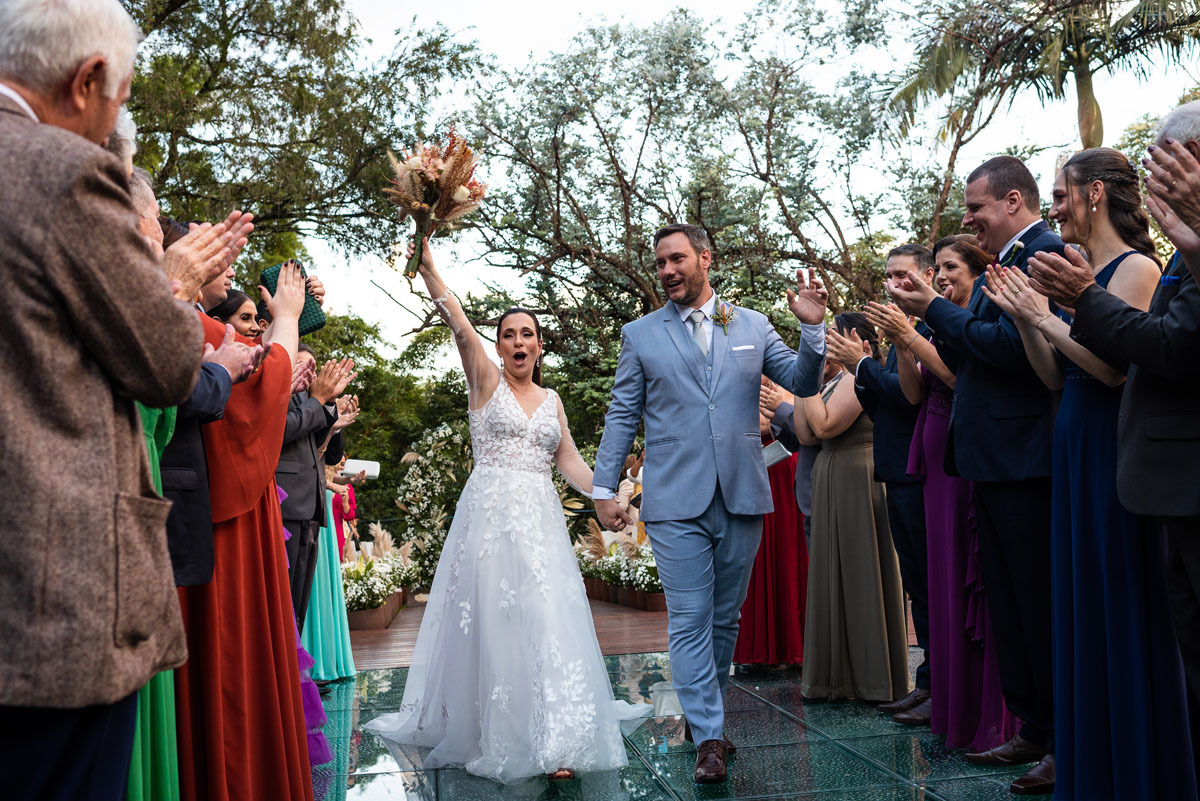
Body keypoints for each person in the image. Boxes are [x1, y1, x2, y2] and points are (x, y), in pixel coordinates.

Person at [0, 2, 214, 798]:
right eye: (121, 96)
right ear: (88, 80)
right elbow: (166, 359)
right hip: (49, 602)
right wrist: (175, 282)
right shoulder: (63, 171)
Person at [367, 239, 648, 784]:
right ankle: (502, 732)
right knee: (497, 625)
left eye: (527, 334)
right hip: (491, 522)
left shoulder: (552, 401)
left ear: (540, 346)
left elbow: (571, 463)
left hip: (540, 524)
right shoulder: (486, 381)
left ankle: (557, 736)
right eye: (508, 335)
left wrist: (609, 500)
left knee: (546, 617)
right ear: (498, 346)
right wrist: (430, 270)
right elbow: (459, 327)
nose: (518, 342)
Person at [593, 223, 828, 784]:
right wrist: (603, 489)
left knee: (725, 619)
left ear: (705, 258)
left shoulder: (752, 325)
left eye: (676, 259)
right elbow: (622, 414)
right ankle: (710, 738)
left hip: (742, 491)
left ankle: (708, 722)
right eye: (660, 263)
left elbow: (801, 381)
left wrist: (812, 329)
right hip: (675, 499)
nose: (667, 270)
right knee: (690, 617)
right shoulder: (640, 335)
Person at [1012, 146, 1197, 800]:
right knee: (1082, 605)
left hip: (1111, 441)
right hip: (1072, 436)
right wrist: (1028, 316)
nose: (1055, 208)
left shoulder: (1137, 267)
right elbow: (1052, 374)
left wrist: (1047, 315)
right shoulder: (1080, 273)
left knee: (1120, 601)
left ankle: (1137, 763)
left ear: (1094, 194)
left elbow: (1114, 369)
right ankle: (1090, 760)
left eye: (1062, 195)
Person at [889, 156, 1063, 795]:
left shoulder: (1042, 254)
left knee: (1036, 605)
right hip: (988, 460)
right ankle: (1033, 727)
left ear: (1013, 201)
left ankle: (1058, 738)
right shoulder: (1003, 261)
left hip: (1024, 459)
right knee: (1011, 607)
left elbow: (1011, 352)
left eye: (976, 208)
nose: (969, 221)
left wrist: (936, 308)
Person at [869, 235, 1019, 751]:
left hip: (961, 455)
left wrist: (909, 336)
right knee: (936, 582)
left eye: (952, 267)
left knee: (963, 578)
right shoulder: (930, 322)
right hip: (929, 454)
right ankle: (947, 695)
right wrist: (902, 338)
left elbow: (957, 378)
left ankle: (984, 705)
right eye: (942, 267)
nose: (945, 276)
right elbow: (915, 393)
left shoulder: (966, 319)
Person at [173, 262, 317, 801]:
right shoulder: (191, 324)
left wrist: (291, 322)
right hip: (209, 518)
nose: (225, 259)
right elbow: (261, 389)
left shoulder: (203, 322)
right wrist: (289, 318)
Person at [828, 244, 933, 724]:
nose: (893, 284)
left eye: (903, 275)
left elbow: (910, 398)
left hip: (921, 472)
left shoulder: (924, 330)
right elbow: (883, 405)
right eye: (888, 276)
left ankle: (938, 685)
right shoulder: (900, 333)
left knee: (929, 584)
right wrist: (864, 370)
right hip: (894, 469)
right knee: (917, 586)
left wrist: (862, 367)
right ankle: (928, 681)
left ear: (927, 275)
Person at [797, 313, 910, 704]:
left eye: (833, 337)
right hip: (832, 478)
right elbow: (805, 434)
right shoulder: (829, 382)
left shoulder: (854, 378)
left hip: (858, 480)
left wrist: (806, 381)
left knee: (863, 576)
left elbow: (825, 426)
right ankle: (836, 678)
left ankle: (870, 679)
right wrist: (806, 376)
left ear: (858, 341)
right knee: (833, 575)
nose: (827, 346)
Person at [731, 381, 807, 668]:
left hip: (782, 468)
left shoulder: (788, 384)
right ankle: (757, 648)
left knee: (788, 555)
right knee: (754, 557)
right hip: (749, 468)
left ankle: (793, 646)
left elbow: (799, 422)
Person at [277, 345, 353, 628]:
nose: (309, 374)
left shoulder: (309, 397)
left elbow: (328, 453)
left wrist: (329, 404)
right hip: (287, 503)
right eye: (302, 365)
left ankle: (294, 653)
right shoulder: (281, 389)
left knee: (299, 605)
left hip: (311, 504)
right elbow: (281, 431)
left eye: (313, 367)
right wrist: (318, 400)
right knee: (284, 602)